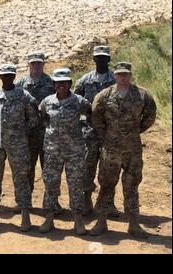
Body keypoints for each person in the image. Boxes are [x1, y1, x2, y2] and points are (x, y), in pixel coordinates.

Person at [90, 62, 156, 238]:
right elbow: (96, 118)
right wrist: (107, 136)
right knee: (106, 185)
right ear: (115, 75)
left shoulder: (142, 95)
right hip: (110, 150)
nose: (123, 77)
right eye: (119, 74)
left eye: (126, 74)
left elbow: (150, 116)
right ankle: (101, 222)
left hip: (132, 150)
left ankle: (134, 224)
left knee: (132, 186)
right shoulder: (104, 96)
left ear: (130, 75)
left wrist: (135, 131)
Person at [0, 64, 40, 231]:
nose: (6, 78)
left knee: (21, 178)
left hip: (18, 143)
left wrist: (20, 132)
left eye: (9, 75)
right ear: (0, 77)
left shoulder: (24, 96)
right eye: (3, 75)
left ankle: (25, 216)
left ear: (14, 77)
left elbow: (34, 119)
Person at [38, 68, 91, 235]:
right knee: (51, 183)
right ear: (54, 84)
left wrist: (82, 130)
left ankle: (78, 220)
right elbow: (42, 117)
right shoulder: (46, 102)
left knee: (75, 185)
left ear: (70, 84)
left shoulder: (79, 102)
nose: (61, 85)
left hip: (74, 151)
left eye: (65, 82)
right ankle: (49, 218)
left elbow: (90, 114)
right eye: (58, 82)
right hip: (53, 150)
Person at [74, 45, 117, 216]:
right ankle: (86, 200)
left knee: (110, 168)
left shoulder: (116, 80)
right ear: (93, 59)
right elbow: (75, 104)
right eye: (98, 57)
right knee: (87, 166)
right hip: (89, 132)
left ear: (108, 59)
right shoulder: (84, 81)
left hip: (110, 132)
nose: (101, 60)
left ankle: (108, 203)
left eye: (104, 57)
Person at [14, 51, 57, 214]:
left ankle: (52, 202)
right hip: (28, 135)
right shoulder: (20, 83)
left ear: (43, 64)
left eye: (39, 63)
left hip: (48, 134)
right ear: (28, 65)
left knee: (50, 169)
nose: (36, 66)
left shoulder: (51, 83)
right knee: (27, 169)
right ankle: (24, 201)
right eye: (33, 63)